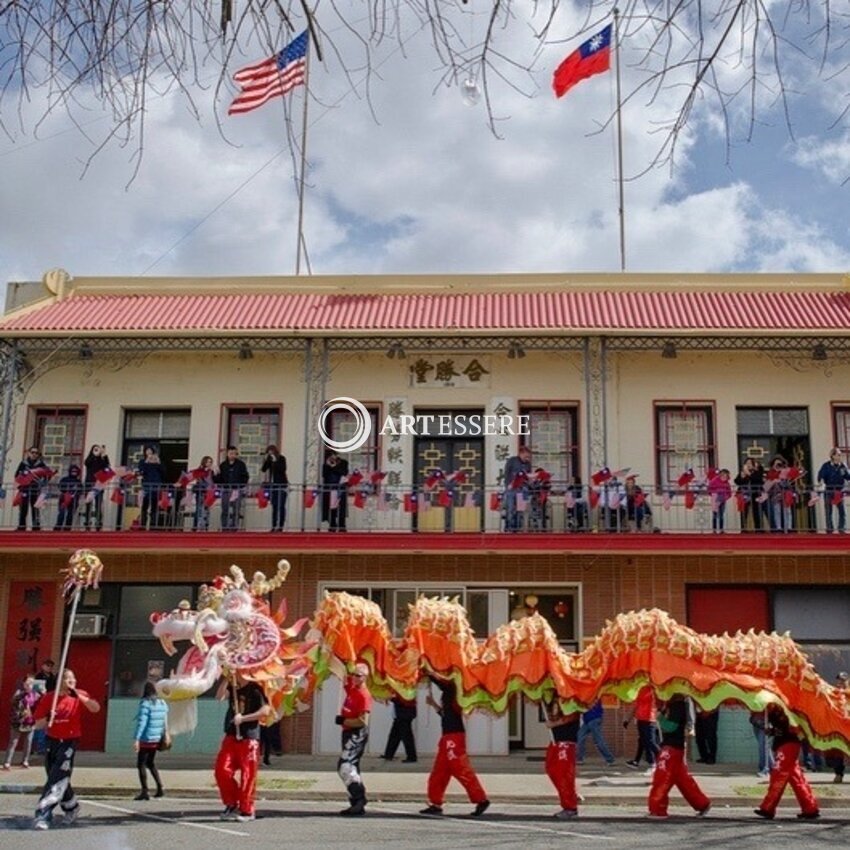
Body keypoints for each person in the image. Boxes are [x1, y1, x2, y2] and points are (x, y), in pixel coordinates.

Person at [31, 668, 101, 830]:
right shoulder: (50, 698)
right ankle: (71, 806)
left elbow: (95, 708)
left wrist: (79, 695)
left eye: (73, 678)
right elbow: (38, 724)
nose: (72, 681)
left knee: (58, 776)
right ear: (59, 681)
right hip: (52, 740)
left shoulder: (78, 695)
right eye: (68, 678)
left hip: (70, 741)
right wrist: (49, 717)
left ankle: (43, 814)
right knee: (54, 774)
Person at [419, 674, 490, 817]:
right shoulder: (449, 693)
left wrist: (428, 671)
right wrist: (434, 705)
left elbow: (442, 684)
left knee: (461, 769)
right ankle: (435, 803)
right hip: (448, 737)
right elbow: (446, 715)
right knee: (439, 772)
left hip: (454, 738)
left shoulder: (453, 688)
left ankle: (481, 799)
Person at [215, 672, 271, 822]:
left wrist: (244, 718)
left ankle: (247, 809)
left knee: (247, 776)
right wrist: (225, 680)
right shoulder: (233, 688)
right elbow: (219, 697)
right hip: (232, 735)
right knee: (222, 770)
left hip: (249, 737)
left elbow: (265, 711)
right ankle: (232, 804)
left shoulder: (255, 689)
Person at [648, 694, 711, 818]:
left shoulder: (677, 706)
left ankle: (658, 809)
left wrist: (660, 718)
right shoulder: (677, 705)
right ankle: (702, 803)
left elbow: (671, 727)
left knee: (661, 778)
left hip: (671, 747)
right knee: (683, 780)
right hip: (676, 748)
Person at [754, 704, 820, 820]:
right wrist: (772, 730)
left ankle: (768, 807)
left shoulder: (785, 709)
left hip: (787, 745)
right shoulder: (779, 708)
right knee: (796, 778)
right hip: (788, 744)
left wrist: (772, 730)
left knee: (778, 775)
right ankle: (810, 807)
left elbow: (787, 729)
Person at [336, 662, 371, 816]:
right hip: (348, 732)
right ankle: (357, 802)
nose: (354, 678)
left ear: (365, 677)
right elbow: (343, 670)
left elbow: (363, 720)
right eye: (354, 675)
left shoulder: (364, 695)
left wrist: (343, 721)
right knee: (351, 767)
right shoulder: (352, 688)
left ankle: (359, 798)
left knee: (346, 766)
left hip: (357, 733)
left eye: (358, 675)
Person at [543, 696, 581, 820]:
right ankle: (570, 796)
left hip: (566, 741)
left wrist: (554, 723)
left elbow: (573, 715)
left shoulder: (572, 698)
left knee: (563, 773)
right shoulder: (554, 696)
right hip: (556, 740)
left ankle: (570, 807)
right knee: (551, 769)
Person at [133, 681, 169, 800]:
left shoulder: (145, 704)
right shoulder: (162, 703)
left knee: (141, 764)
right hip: (156, 739)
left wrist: (137, 739)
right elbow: (165, 721)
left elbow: (142, 723)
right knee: (150, 763)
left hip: (145, 739)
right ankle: (160, 787)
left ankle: (145, 791)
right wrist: (166, 734)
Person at [3, 675, 40, 769]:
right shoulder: (19, 693)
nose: (29, 685)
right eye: (27, 683)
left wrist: (43, 692)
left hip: (30, 721)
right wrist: (21, 695)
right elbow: (13, 701)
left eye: (31, 683)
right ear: (24, 684)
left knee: (28, 742)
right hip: (18, 721)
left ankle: (25, 761)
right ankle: (7, 762)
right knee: (13, 742)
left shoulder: (36, 694)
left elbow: (41, 704)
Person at [624, 684, 659, 772]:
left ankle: (661, 759)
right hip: (643, 719)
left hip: (648, 719)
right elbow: (635, 705)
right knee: (643, 741)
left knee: (649, 741)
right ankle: (636, 761)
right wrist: (628, 719)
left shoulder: (653, 690)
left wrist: (628, 719)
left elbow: (635, 706)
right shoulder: (644, 689)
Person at [215, 446, 250, 531]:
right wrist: (216, 475)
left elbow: (245, 477)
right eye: (231, 453)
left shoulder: (241, 465)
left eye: (234, 453)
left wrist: (240, 486)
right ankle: (225, 527)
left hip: (237, 490)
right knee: (225, 509)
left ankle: (234, 527)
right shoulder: (223, 465)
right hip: (226, 490)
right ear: (227, 454)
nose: (232, 455)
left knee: (236, 509)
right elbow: (219, 479)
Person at [15, 446, 49, 530]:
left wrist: (42, 482)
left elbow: (47, 475)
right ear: (29, 453)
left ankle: (36, 526)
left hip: (35, 488)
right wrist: (24, 477)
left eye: (36, 453)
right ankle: (21, 526)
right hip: (25, 488)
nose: (34, 454)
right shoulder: (23, 463)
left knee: (36, 508)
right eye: (32, 452)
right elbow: (17, 475)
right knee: (23, 508)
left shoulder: (41, 464)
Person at [817, 448, 850, 533]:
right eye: (838, 455)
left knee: (842, 512)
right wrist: (821, 481)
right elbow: (821, 476)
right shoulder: (826, 466)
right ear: (833, 456)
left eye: (840, 455)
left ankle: (841, 528)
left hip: (839, 491)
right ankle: (830, 529)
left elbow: (847, 476)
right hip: (829, 490)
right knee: (828, 511)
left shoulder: (842, 466)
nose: (840, 456)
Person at [576, 700, 615, 766]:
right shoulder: (586, 695)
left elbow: (588, 706)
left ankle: (610, 759)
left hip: (594, 719)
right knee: (580, 737)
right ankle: (579, 759)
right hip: (588, 720)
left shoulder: (593, 694)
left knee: (598, 740)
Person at [826, 672, 848, 783]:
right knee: (836, 751)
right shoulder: (833, 693)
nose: (840, 682)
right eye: (839, 680)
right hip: (837, 727)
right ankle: (838, 773)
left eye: (843, 680)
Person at [381, 695, 417, 763]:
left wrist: (391, 698)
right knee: (394, 736)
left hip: (405, 715)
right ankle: (388, 754)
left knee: (407, 737)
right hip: (401, 715)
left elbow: (403, 701)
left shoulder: (406, 690)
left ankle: (412, 757)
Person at [83, 444, 111, 530]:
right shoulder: (89, 459)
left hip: (99, 484)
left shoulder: (101, 460)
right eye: (95, 449)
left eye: (98, 449)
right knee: (88, 504)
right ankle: (87, 523)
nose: (97, 451)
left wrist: (103, 455)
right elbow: (87, 463)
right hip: (89, 484)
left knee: (98, 504)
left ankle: (98, 523)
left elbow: (107, 466)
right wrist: (95, 455)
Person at [261, 444, 289, 532]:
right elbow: (263, 469)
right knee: (274, 506)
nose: (271, 454)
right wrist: (266, 460)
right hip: (273, 486)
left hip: (281, 485)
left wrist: (275, 461)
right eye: (269, 453)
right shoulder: (270, 461)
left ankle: (280, 525)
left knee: (281, 506)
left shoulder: (281, 459)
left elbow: (282, 469)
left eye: (272, 452)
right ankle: (274, 525)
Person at [503, 445, 531, 531]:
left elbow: (528, 475)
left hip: (522, 489)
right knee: (510, 508)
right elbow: (507, 473)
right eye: (526, 456)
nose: (527, 458)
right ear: (520, 454)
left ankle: (518, 527)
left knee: (521, 509)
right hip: (512, 488)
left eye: (528, 457)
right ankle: (509, 527)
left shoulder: (528, 464)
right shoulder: (512, 461)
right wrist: (508, 484)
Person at [321, 450, 349, 532]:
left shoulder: (343, 463)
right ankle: (332, 525)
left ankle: (342, 526)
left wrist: (334, 466)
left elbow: (344, 472)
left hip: (340, 488)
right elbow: (324, 475)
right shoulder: (325, 464)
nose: (332, 457)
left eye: (333, 455)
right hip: (330, 488)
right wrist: (328, 465)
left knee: (341, 508)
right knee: (332, 508)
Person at [735, 458, 765, 532]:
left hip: (755, 493)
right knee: (744, 512)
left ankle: (759, 529)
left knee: (756, 511)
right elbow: (737, 481)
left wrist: (749, 473)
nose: (748, 465)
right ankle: (744, 528)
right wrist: (742, 477)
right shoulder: (743, 472)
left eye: (750, 463)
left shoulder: (757, 472)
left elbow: (758, 480)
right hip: (745, 494)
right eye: (747, 463)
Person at [138, 445, 164, 530]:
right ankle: (143, 524)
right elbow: (141, 471)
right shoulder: (142, 462)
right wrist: (146, 461)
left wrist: (158, 463)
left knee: (154, 506)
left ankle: (153, 525)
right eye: (147, 451)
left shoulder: (157, 462)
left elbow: (163, 472)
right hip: (146, 486)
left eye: (150, 451)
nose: (149, 452)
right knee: (144, 506)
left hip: (156, 486)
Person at [54, 464, 83, 530]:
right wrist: (69, 489)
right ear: (70, 471)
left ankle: (67, 529)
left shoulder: (78, 482)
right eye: (73, 471)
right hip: (64, 499)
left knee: (70, 515)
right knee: (62, 513)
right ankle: (58, 528)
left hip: (74, 500)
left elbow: (81, 490)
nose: (74, 473)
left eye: (75, 472)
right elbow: (60, 487)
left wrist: (76, 490)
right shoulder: (64, 479)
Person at [191, 456, 215, 530]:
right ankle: (196, 526)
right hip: (201, 491)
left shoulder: (212, 472)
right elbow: (195, 477)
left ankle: (205, 526)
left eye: (210, 462)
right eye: (208, 462)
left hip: (209, 493)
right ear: (204, 462)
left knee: (207, 510)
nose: (209, 463)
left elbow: (214, 481)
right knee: (199, 509)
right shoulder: (199, 471)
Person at [749, 709, 774, 777]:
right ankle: (766, 767)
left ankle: (769, 768)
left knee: (764, 746)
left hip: (765, 721)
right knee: (763, 746)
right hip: (757, 721)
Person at [708, 469, 732, 533]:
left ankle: (721, 530)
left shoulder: (727, 483)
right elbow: (709, 488)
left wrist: (725, 497)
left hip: (723, 500)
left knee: (721, 515)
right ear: (721, 474)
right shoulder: (714, 480)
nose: (725, 476)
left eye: (726, 475)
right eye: (723, 474)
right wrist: (714, 494)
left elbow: (729, 493)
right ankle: (714, 530)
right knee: (715, 514)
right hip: (715, 499)